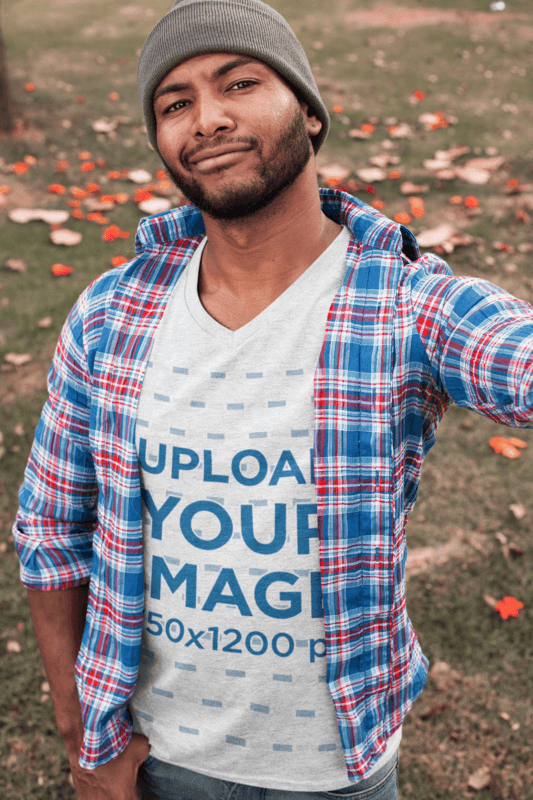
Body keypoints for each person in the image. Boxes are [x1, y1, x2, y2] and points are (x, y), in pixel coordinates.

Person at [12, 0, 533, 798]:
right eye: (175, 103)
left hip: (336, 772)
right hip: (158, 758)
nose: (207, 120)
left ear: (309, 112)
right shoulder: (112, 312)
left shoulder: (403, 304)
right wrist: (83, 735)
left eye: (239, 83)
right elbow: (52, 528)